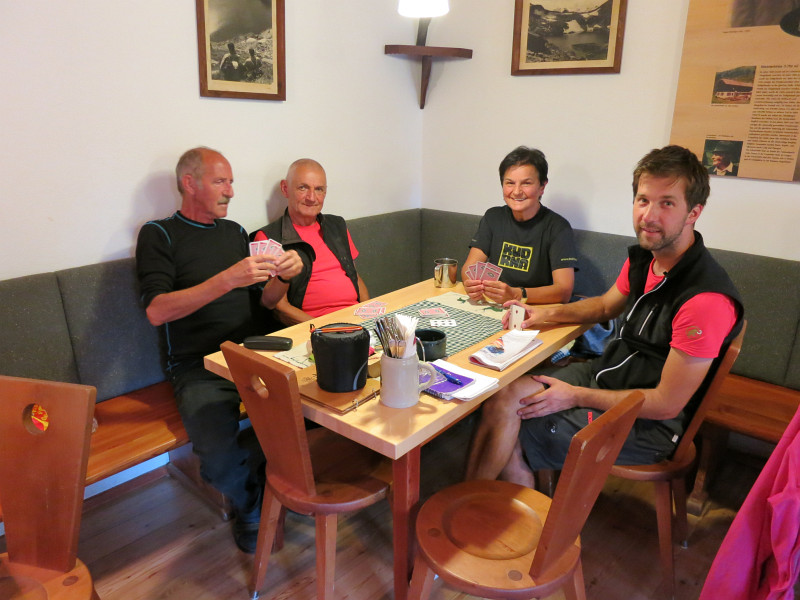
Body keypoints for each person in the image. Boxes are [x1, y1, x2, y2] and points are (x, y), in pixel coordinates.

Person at [465, 145, 744, 487]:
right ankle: (473, 500)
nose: (649, 216)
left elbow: (665, 405)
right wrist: (544, 313)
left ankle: (508, 513)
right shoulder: (647, 258)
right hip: (609, 375)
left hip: (649, 424)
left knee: (516, 423)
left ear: (693, 212)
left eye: (667, 203)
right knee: (502, 398)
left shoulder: (704, 299)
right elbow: (603, 307)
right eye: (643, 200)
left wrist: (574, 395)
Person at [135, 147, 302, 553]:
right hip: (199, 363)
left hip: (252, 348)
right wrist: (227, 279)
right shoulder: (159, 234)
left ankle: (283, 479)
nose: (231, 191)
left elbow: (265, 301)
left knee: (320, 400)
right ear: (189, 183)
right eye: (220, 182)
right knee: (217, 455)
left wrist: (284, 277)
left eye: (231, 182)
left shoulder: (234, 232)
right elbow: (156, 311)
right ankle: (250, 502)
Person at [252, 158, 369, 325]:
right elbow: (279, 308)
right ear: (285, 188)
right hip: (314, 328)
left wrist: (369, 315)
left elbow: (355, 276)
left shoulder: (337, 225)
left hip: (355, 321)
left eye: (319, 189)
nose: (312, 197)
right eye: (303, 188)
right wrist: (325, 330)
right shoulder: (267, 238)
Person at [462, 146, 577, 305]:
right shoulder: (493, 217)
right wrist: (471, 285)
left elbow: (564, 291)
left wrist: (516, 294)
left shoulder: (558, 227)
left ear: (542, 187)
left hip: (535, 309)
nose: (516, 191)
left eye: (526, 183)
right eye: (510, 183)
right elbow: (470, 267)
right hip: (494, 304)